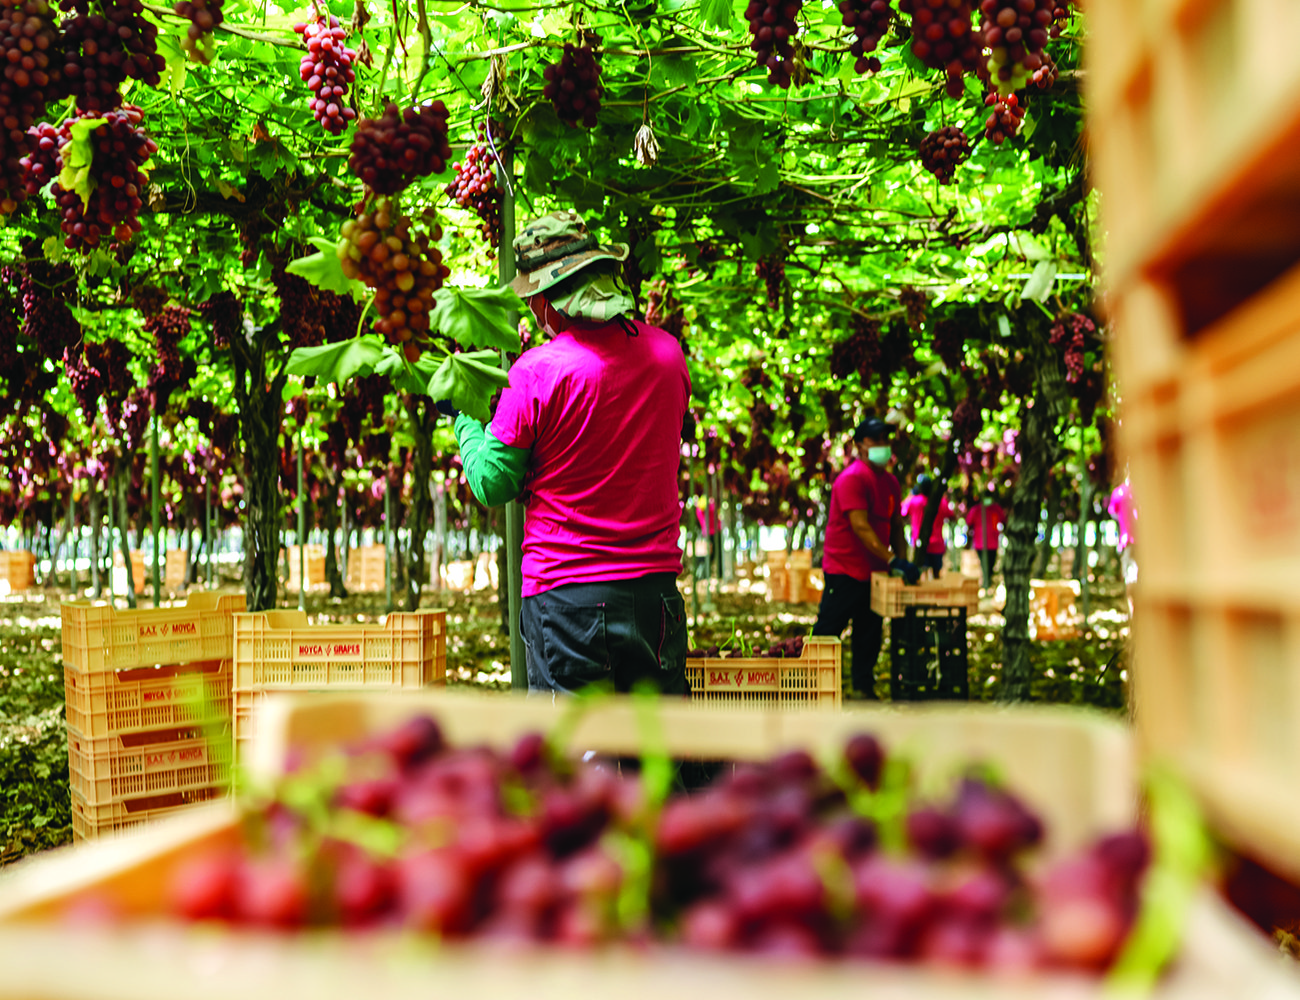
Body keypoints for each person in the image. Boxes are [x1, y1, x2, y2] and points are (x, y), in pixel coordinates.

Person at [448, 210, 691, 696]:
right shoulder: (668, 355)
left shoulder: (537, 371)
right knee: (660, 751)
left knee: (578, 760)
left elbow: (493, 482)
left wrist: (465, 418)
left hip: (568, 597)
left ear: (546, 300)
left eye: (534, 297)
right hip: (655, 592)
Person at [812, 417, 919, 699]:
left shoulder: (891, 483)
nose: (883, 445)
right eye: (876, 440)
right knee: (829, 631)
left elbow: (896, 526)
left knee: (869, 633)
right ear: (860, 446)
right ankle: (812, 687)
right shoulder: (852, 478)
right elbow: (860, 526)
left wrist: (901, 564)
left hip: (875, 574)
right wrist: (894, 560)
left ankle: (863, 688)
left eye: (886, 440)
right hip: (845, 570)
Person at [900, 474, 955, 578]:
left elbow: (902, 513)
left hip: (920, 543)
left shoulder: (914, 501)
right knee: (936, 575)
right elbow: (952, 516)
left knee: (921, 574)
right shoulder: (940, 501)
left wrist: (910, 495)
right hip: (937, 544)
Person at [964, 491, 1006, 590]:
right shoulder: (976, 509)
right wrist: (968, 541)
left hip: (993, 543)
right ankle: (986, 584)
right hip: (980, 543)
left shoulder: (996, 509)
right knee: (984, 564)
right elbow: (969, 525)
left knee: (991, 564)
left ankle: (988, 583)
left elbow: (1003, 521)